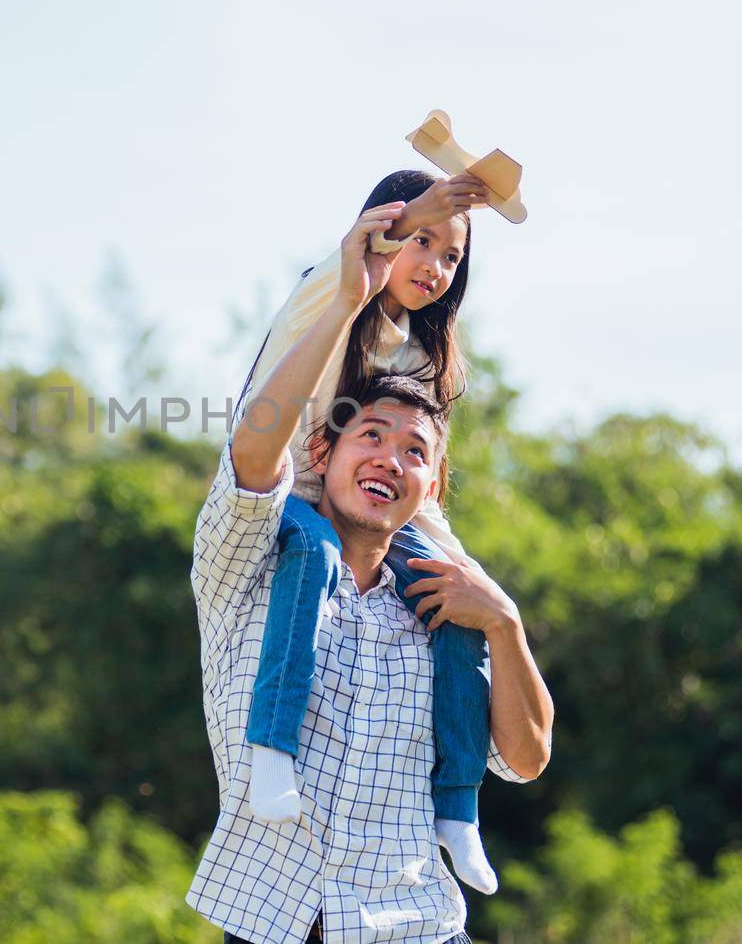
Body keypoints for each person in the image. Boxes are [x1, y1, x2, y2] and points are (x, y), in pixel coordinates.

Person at [185, 201, 554, 943]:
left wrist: (503, 621)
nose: (390, 457)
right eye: (371, 436)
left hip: (417, 927)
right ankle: (273, 754)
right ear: (322, 453)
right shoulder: (249, 569)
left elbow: (526, 757)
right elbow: (256, 448)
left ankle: (459, 818)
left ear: (434, 488)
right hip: (274, 920)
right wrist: (351, 290)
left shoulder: (438, 606)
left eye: (415, 452)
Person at [235, 169, 500, 892]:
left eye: (452, 257)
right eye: (423, 242)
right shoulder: (328, 293)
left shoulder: (417, 355)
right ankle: (271, 749)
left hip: (373, 500)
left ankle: (456, 807)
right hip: (290, 489)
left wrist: (462, 568)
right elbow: (353, 263)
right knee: (315, 553)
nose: (436, 267)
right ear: (383, 232)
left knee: (455, 598)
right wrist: (421, 210)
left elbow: (418, 483)